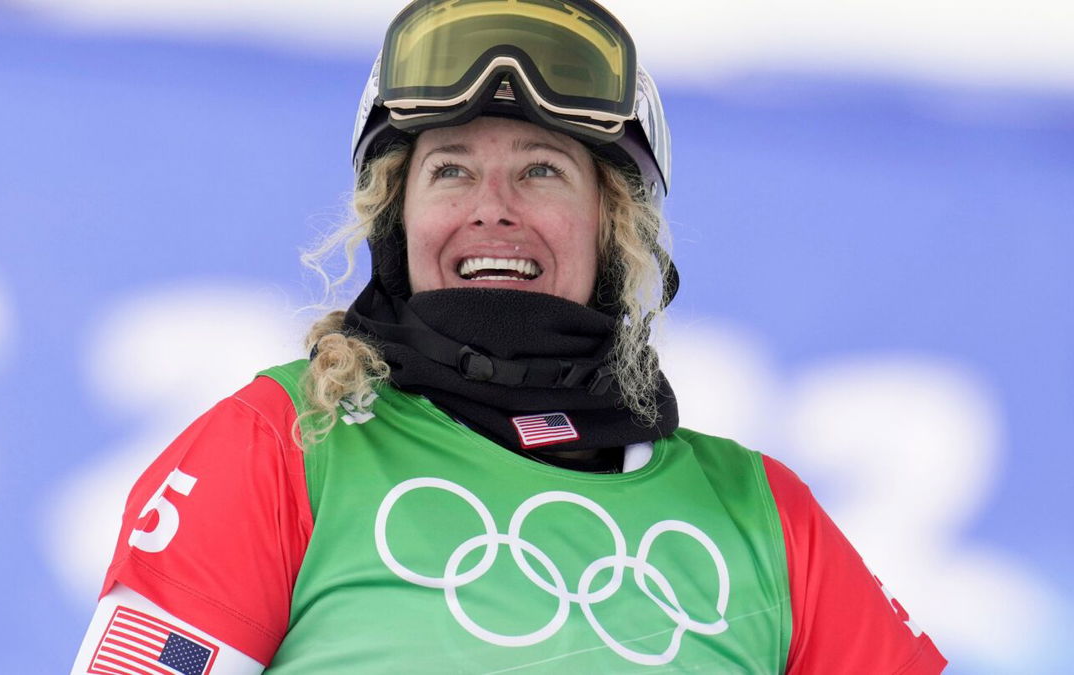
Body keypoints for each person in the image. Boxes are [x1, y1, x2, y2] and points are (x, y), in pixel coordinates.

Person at [72, 1, 947, 672]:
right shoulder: (284, 444)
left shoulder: (763, 516)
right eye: (451, 169)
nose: (494, 206)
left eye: (541, 169)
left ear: (613, 226)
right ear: (395, 220)